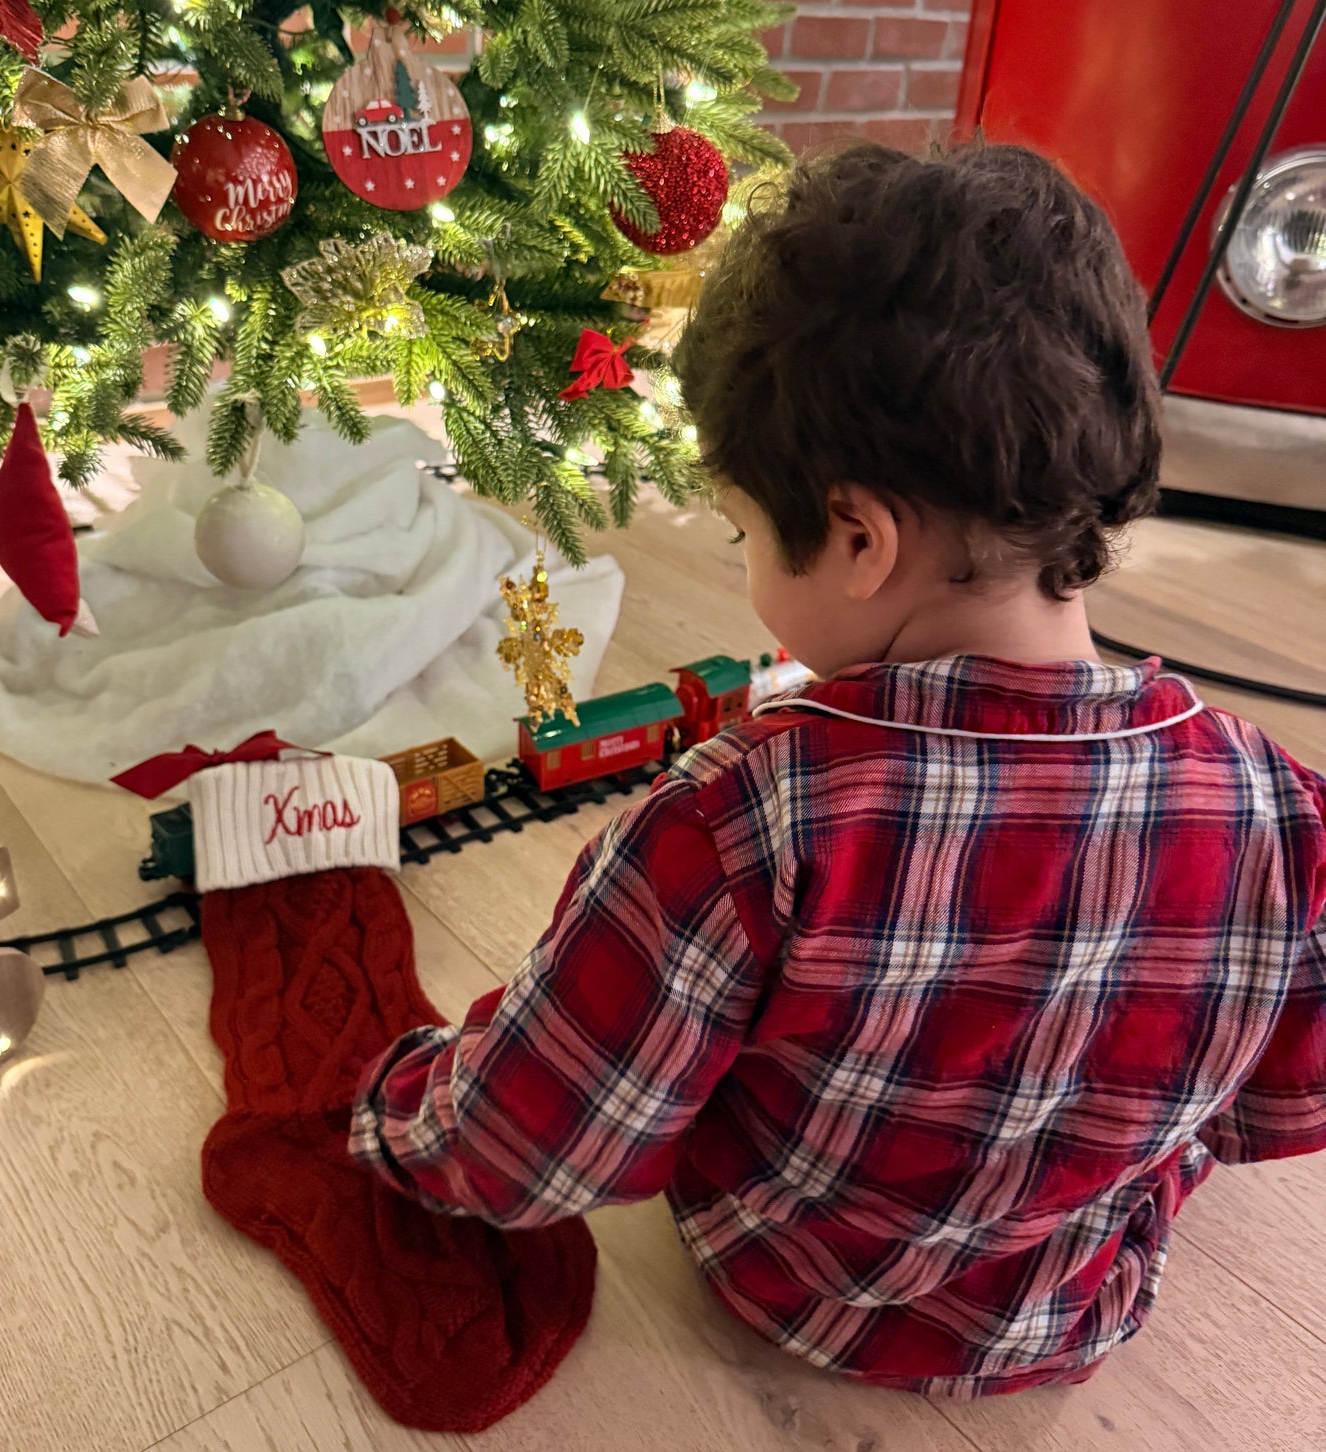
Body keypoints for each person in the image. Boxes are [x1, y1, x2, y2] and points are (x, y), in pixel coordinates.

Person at [349, 141, 1326, 1397]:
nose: (745, 563)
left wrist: (388, 1107)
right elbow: (1270, 1104)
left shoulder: (737, 818)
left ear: (859, 538)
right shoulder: (1275, 803)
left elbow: (527, 1148)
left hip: (790, 1285)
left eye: (743, 535)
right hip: (1079, 1303)